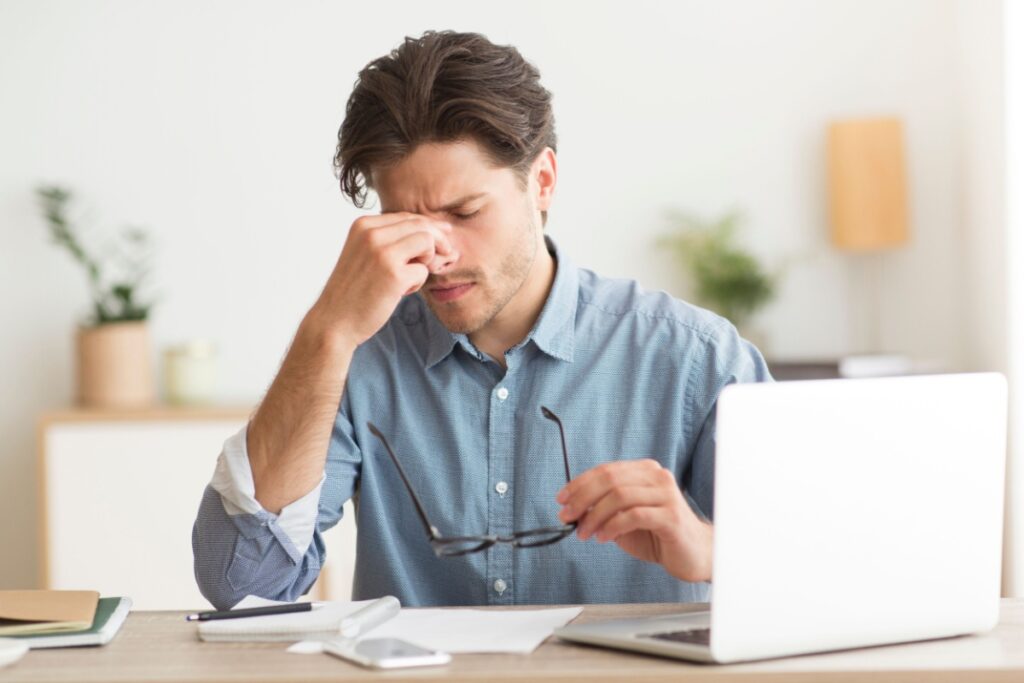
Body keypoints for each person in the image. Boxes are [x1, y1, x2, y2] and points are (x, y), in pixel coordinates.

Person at [192, 30, 771, 610]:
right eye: (402, 221)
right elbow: (243, 586)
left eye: (464, 212)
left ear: (541, 181)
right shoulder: (356, 353)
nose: (436, 255)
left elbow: (829, 558)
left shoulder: (695, 357)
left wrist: (706, 546)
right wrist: (328, 331)